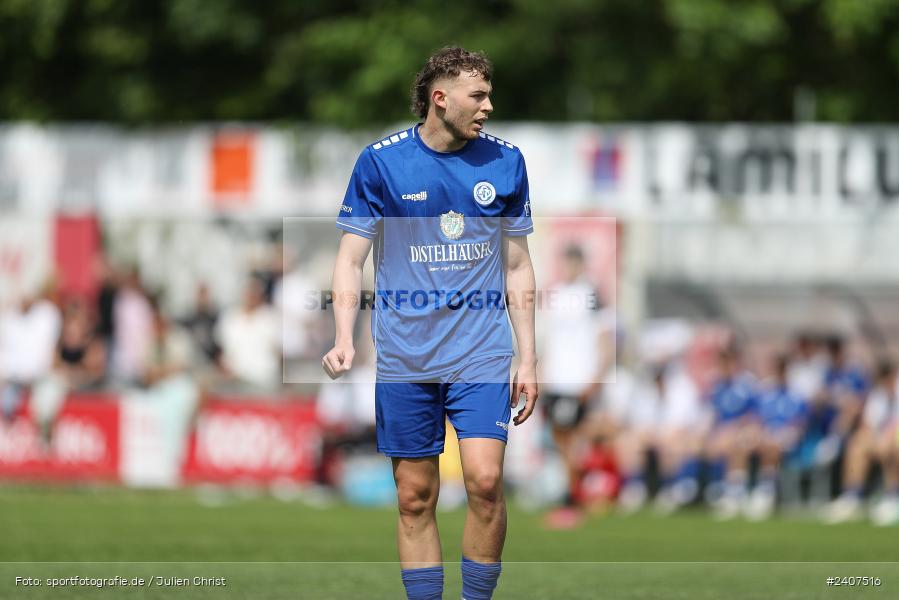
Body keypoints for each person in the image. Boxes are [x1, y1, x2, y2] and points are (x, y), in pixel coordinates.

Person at [322, 46, 537, 600]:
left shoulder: (506, 162)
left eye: (489, 94)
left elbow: (517, 265)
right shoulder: (381, 162)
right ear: (440, 99)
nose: (489, 106)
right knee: (415, 495)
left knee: (485, 482)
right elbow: (350, 257)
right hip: (405, 355)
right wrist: (343, 336)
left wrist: (528, 356)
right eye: (478, 96)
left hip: (481, 351)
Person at [539, 244, 614, 525]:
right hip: (556, 380)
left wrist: (597, 376)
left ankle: (573, 498)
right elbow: (549, 340)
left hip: (578, 380)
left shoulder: (592, 294)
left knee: (574, 438)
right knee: (560, 439)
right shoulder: (556, 294)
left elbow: (604, 337)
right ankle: (573, 493)